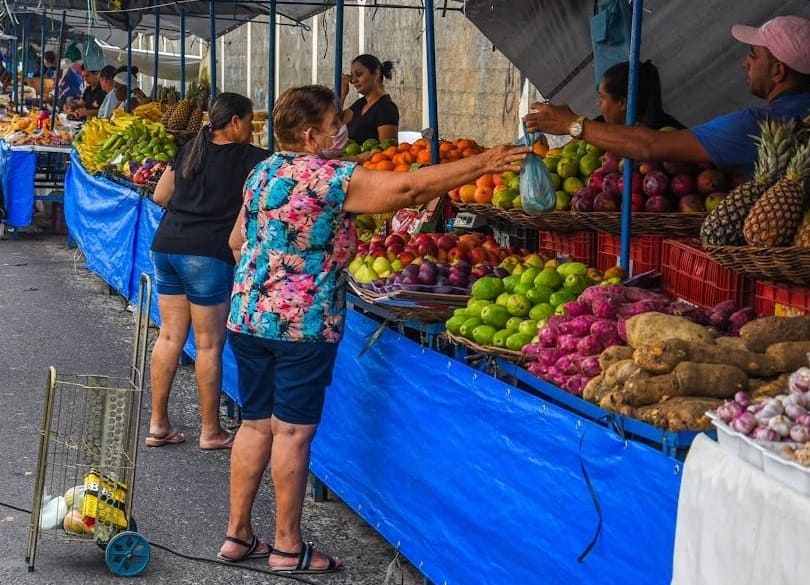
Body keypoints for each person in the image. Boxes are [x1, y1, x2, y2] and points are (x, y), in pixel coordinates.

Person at [217, 84, 528, 572]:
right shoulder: (330, 178)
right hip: (303, 323)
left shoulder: (263, 171)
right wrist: (482, 163)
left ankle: (237, 536)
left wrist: (269, 281)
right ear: (310, 135)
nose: (343, 129)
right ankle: (285, 546)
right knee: (293, 434)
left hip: (248, 315)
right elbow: (408, 190)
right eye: (334, 123)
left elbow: (237, 240)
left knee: (256, 423)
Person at [525, 15, 810, 180]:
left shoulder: (756, 125)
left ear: (778, 71)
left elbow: (651, 145)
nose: (745, 63)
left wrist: (573, 124)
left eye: (753, 55)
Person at [148, 93, 268, 451]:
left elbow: (159, 195)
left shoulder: (189, 148)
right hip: (207, 255)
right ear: (234, 122)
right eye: (248, 121)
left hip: (167, 244)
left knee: (169, 335)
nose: (250, 129)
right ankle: (211, 431)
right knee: (209, 344)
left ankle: (157, 425)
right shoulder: (252, 159)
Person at [597, 60, 685, 129]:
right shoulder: (603, 125)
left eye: (602, 97)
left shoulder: (662, 137)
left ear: (622, 103)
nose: (598, 103)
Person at [340, 54, 399, 144]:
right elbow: (335, 123)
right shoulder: (360, 103)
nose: (353, 81)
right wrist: (342, 94)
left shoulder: (386, 108)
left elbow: (388, 150)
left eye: (359, 74)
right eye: (352, 76)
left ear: (376, 74)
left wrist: (356, 158)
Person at [57, 45, 84, 109]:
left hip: (72, 106)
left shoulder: (75, 76)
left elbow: (75, 94)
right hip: (66, 106)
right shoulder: (70, 74)